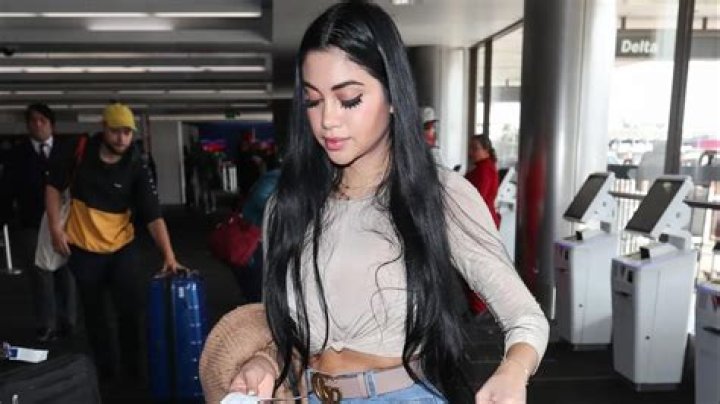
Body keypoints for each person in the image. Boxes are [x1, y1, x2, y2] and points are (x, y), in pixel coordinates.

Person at [227, 2, 548, 403]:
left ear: (394, 96)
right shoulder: (286, 205)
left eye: (348, 99)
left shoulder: (438, 195)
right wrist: (264, 363)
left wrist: (513, 371)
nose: (327, 120)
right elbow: (287, 334)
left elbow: (525, 316)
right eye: (312, 100)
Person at [45, 102, 180, 381]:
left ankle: (132, 372)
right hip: (84, 249)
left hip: (121, 248)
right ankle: (105, 372)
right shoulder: (80, 151)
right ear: (104, 128)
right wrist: (55, 229)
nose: (122, 138)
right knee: (95, 315)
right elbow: (53, 188)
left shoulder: (136, 164)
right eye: (116, 131)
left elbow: (153, 215)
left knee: (130, 311)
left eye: (127, 132)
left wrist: (169, 255)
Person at [0, 103, 77, 342]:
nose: (37, 124)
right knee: (40, 273)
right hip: (31, 221)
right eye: (33, 120)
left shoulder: (67, 151)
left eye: (42, 120)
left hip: (65, 221)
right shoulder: (17, 155)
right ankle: (47, 324)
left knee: (67, 272)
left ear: (51, 124)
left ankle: (68, 321)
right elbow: (6, 189)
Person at [466, 134, 501, 228]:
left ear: (486, 150)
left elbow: (479, 198)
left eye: (475, 149)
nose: (470, 152)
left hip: (482, 221)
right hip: (485, 218)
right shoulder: (485, 167)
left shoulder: (484, 170)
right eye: (470, 148)